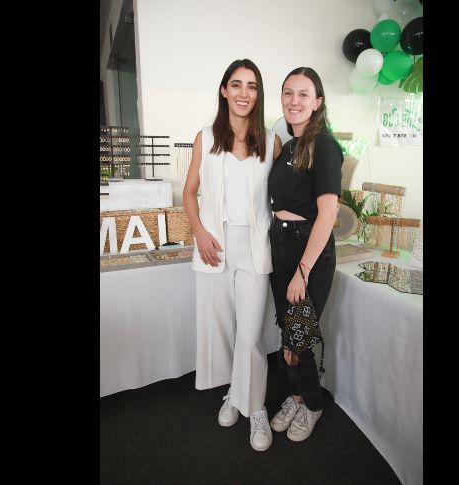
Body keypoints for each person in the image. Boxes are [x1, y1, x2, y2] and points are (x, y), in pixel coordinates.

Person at [183, 59, 282, 452]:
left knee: (252, 334)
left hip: (256, 247)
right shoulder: (205, 137)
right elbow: (190, 193)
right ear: (224, 90)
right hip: (215, 247)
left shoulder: (271, 142)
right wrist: (200, 233)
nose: (244, 93)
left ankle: (254, 406)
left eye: (252, 86)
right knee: (222, 329)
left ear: (258, 95)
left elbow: (288, 192)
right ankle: (234, 393)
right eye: (236, 85)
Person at [267, 67, 343, 442]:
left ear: (317, 102)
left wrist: (303, 271)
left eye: (303, 94)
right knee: (287, 334)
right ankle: (296, 396)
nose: (293, 101)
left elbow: (328, 213)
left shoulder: (324, 145)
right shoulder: (290, 146)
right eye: (287, 93)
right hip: (279, 245)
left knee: (297, 337)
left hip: (305, 249)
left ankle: (312, 404)